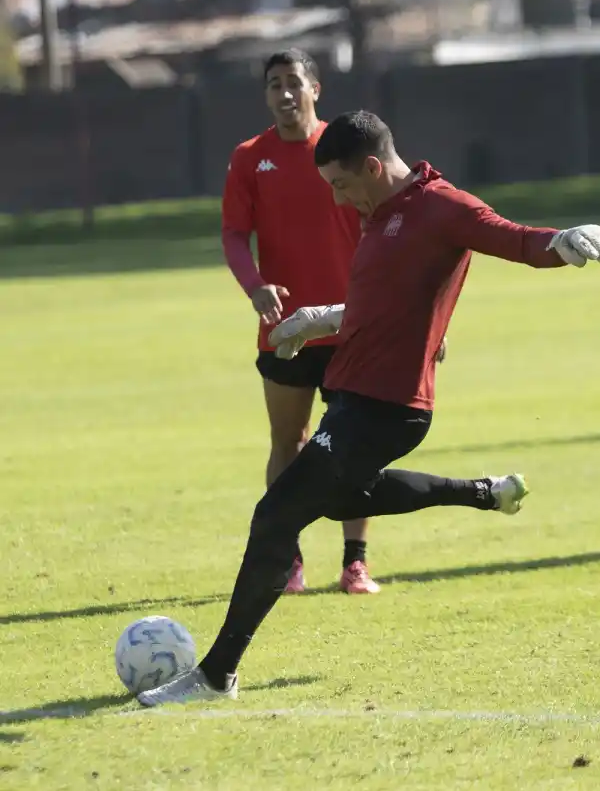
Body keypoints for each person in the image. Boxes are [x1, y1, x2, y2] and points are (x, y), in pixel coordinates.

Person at [138, 111, 600, 708]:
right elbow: (375, 300)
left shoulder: (441, 205)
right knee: (340, 499)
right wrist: (319, 318)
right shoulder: (379, 215)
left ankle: (215, 675)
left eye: (341, 184)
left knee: (276, 517)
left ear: (374, 167)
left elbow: (512, 236)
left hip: (385, 407)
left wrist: (561, 243)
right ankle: (485, 492)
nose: (338, 197)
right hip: (354, 399)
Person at [221, 49, 380, 594]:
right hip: (284, 328)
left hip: (351, 325)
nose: (284, 94)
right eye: (273, 85)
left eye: (293, 82)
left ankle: (355, 560)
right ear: (265, 96)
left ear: (316, 88)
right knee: (287, 441)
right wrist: (255, 287)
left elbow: (384, 225)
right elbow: (234, 235)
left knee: (354, 445)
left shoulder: (345, 150)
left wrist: (410, 313)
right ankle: (287, 559)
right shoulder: (249, 158)